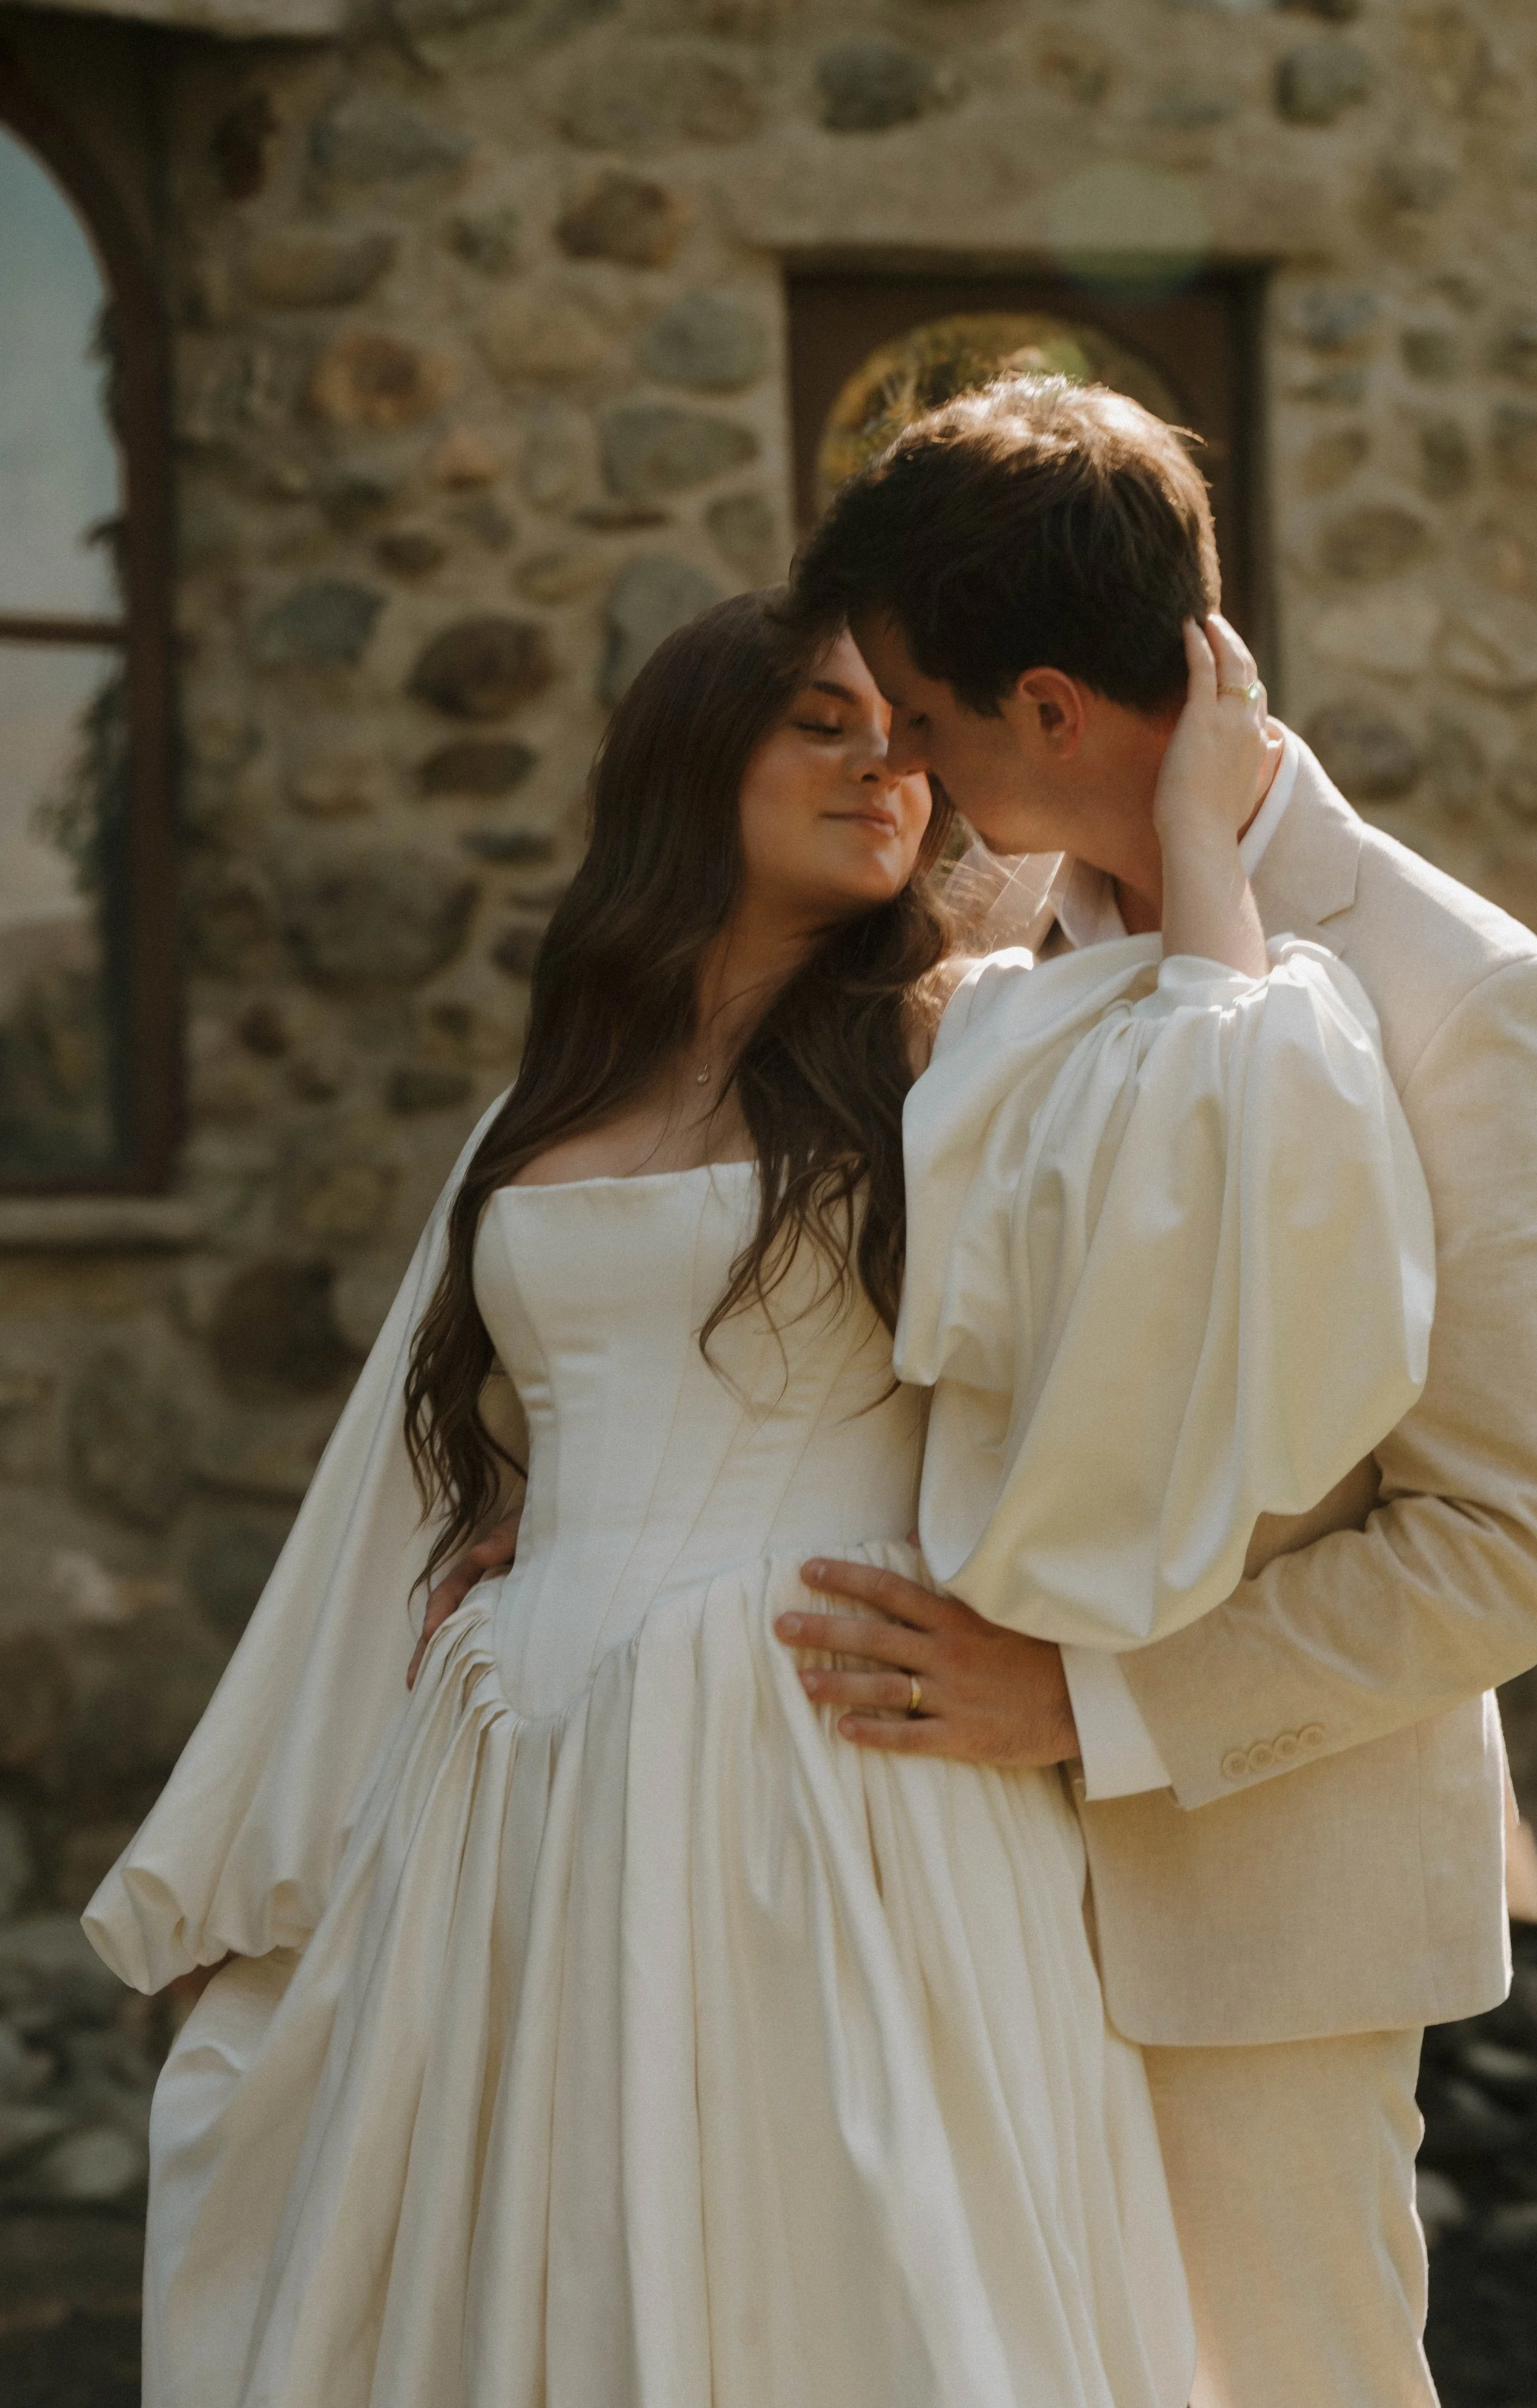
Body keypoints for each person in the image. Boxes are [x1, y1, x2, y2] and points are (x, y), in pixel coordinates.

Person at [85, 588, 1432, 2408]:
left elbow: (1212, 1190)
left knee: (852, 2296)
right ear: (687, 760)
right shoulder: (541, 1102)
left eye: (906, 732)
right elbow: (396, 1487)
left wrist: (1198, 832)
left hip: (823, 1759)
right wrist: (281, 1842)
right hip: (519, 1788)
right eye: (821, 719)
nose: (884, 761)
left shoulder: (957, 1050)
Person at [758, 375, 1537, 2408]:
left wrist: (1080, 1702)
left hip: (1260, 1919)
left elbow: (1509, 1541)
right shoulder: (968, 958)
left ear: (1049, 708)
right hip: (929, 1874)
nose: (915, 779)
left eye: (934, 723)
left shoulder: (1459, 991)